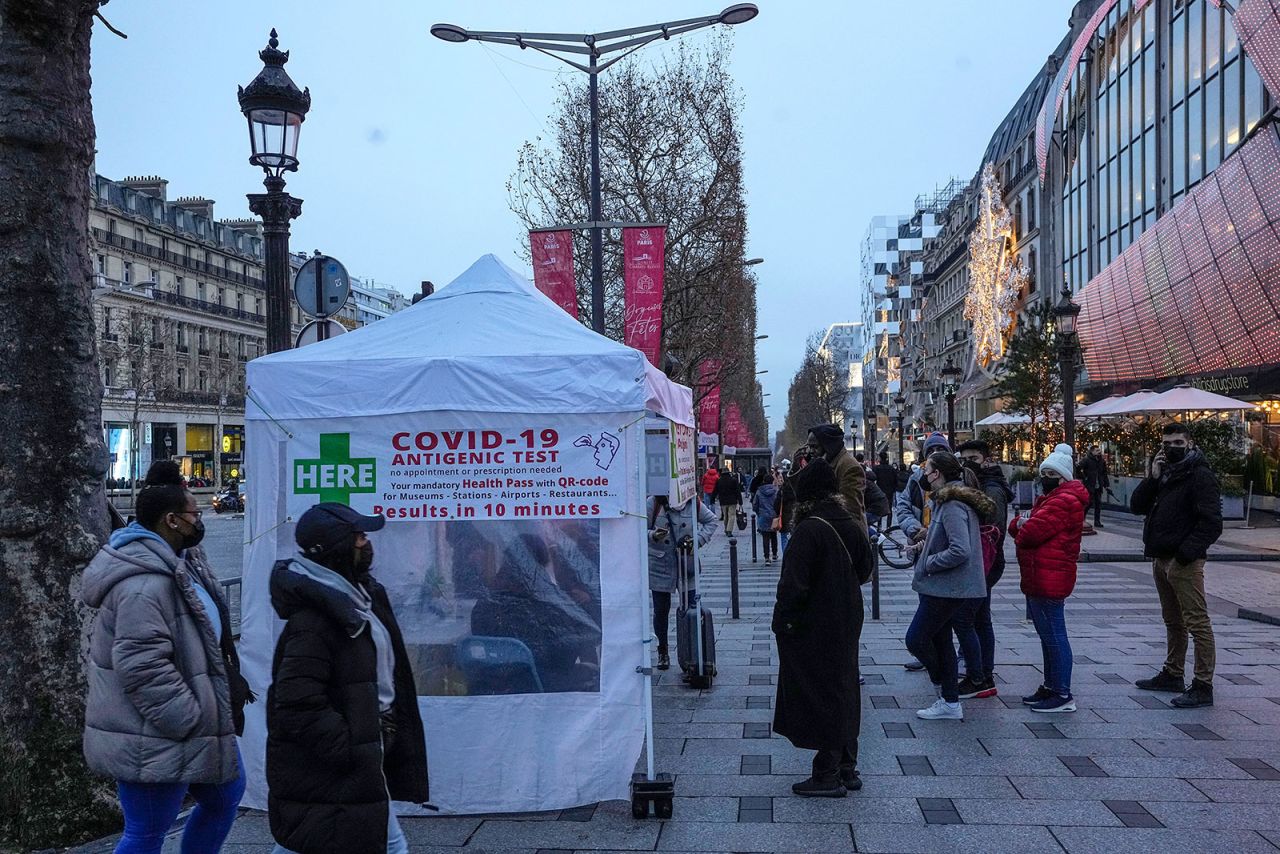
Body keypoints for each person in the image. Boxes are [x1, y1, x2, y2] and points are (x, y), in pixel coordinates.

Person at [81, 475, 245, 854]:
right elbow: (142, 667)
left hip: (191, 726)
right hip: (156, 733)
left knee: (225, 798)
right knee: (147, 831)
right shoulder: (143, 584)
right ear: (172, 520)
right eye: (195, 513)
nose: (199, 519)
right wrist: (189, 718)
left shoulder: (177, 564)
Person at [268, 503, 428, 854]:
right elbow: (296, 703)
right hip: (340, 763)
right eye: (358, 537)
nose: (365, 543)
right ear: (335, 547)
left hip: (357, 758)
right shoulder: (315, 620)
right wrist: (353, 747)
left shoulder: (357, 597)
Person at [772, 459, 873, 797]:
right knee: (844, 686)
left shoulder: (809, 529)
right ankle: (847, 766)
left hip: (815, 620)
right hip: (847, 615)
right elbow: (865, 569)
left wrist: (784, 623)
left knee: (820, 690)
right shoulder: (849, 521)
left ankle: (826, 773)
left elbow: (793, 586)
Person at [1130, 423, 1223, 709]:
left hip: (1183, 561)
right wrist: (1152, 477)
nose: (1171, 448)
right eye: (1166, 443)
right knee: (1173, 621)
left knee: (1197, 623)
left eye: (1178, 443)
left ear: (1190, 444)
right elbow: (1137, 506)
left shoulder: (1200, 475)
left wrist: (1185, 555)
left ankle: (1203, 685)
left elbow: (1212, 523)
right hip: (1161, 557)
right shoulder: (1167, 475)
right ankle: (1173, 673)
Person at [904, 452, 992, 721]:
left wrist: (929, 562)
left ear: (937, 474)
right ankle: (950, 701)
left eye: (927, 470)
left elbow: (960, 549)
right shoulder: (949, 501)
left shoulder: (953, 505)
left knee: (916, 639)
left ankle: (942, 685)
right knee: (941, 640)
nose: (923, 475)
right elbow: (943, 538)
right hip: (945, 586)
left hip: (947, 587)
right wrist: (920, 547)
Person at [1009, 444, 1089, 713]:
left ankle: (1062, 693)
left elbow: (1030, 533)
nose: (1045, 478)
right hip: (1040, 574)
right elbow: (1019, 525)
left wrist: (1023, 526)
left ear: (1063, 477)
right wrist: (1022, 525)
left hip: (1050, 576)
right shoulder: (1051, 499)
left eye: (1050, 473)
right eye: (1043, 472)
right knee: (1047, 635)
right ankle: (1050, 685)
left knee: (1054, 635)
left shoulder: (1063, 500)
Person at [954, 441, 1014, 699]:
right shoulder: (978, 485)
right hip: (981, 563)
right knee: (979, 618)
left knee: (969, 618)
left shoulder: (992, 489)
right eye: (964, 458)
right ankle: (981, 673)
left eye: (974, 458)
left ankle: (979, 676)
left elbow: (992, 530)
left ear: (987, 460)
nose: (969, 463)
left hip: (986, 563)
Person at [895, 432, 953, 673]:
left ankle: (952, 661)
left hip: (945, 549)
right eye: (931, 451)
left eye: (940, 449)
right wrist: (913, 528)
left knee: (950, 614)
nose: (935, 454)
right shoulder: (917, 478)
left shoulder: (954, 480)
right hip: (922, 545)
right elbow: (903, 506)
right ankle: (929, 653)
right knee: (926, 603)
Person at [647, 494, 719, 669]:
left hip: (686, 564)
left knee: (691, 609)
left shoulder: (692, 501)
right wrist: (653, 535)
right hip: (660, 564)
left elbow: (712, 521)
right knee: (661, 610)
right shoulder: (654, 502)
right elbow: (637, 529)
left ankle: (694, 653)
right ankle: (662, 651)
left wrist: (698, 541)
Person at [808, 424, 867, 534]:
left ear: (828, 446)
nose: (811, 451)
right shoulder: (824, 463)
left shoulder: (849, 467)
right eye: (809, 447)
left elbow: (850, 508)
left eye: (815, 447)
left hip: (846, 535)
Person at [1080, 444, 1110, 528]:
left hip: (1098, 485)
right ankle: (1082, 519)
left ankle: (1097, 521)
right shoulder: (1087, 460)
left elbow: (1104, 473)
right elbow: (1079, 468)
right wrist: (1084, 477)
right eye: (1097, 450)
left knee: (1098, 504)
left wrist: (1106, 484)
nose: (1099, 452)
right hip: (1090, 485)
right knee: (1089, 503)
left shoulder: (1101, 461)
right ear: (1092, 452)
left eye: (1099, 450)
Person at [753, 472, 780, 563]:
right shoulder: (776, 491)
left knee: (765, 536)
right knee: (774, 535)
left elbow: (755, 504)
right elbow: (779, 503)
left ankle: (767, 557)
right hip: (774, 516)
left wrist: (759, 512)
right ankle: (775, 554)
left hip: (763, 515)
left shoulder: (759, 491)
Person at [713, 468, 742, 536]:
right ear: (729, 473)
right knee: (731, 515)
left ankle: (726, 529)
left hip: (723, 501)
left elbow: (715, 490)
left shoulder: (719, 481)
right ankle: (729, 530)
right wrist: (740, 501)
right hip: (732, 501)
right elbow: (738, 491)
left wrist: (712, 499)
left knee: (725, 516)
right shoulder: (733, 480)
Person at [872, 453, 899, 523]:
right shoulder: (891, 469)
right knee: (889, 508)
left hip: (879, 490)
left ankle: (879, 525)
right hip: (890, 491)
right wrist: (894, 489)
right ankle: (888, 525)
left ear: (880, 458)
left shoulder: (876, 468)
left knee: (880, 508)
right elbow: (896, 480)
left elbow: (874, 479)